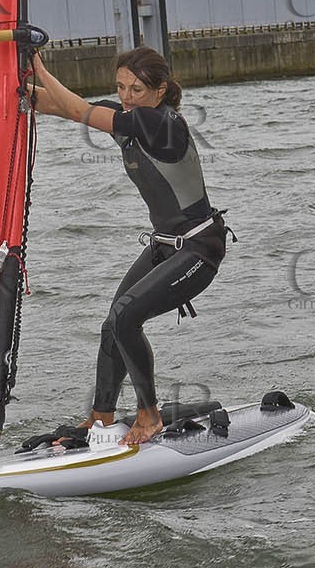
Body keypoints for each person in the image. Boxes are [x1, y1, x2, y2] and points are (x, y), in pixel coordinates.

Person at [28, 46, 229, 447]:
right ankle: (100, 417)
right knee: (112, 325)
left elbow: (77, 108)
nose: (126, 97)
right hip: (165, 246)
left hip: (198, 249)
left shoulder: (161, 123)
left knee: (125, 317)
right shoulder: (128, 118)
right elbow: (63, 107)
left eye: (136, 89)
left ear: (160, 91)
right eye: (120, 87)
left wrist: (36, 65)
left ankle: (149, 415)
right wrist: (5, 87)